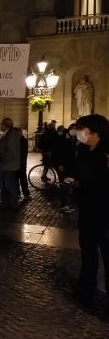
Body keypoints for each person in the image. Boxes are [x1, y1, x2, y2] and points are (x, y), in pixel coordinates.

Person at [64, 114, 109, 320]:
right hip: (88, 210)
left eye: (83, 129)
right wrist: (73, 179)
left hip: (106, 212)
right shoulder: (82, 150)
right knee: (88, 252)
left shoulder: (106, 154)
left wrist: (85, 183)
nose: (79, 132)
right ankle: (85, 290)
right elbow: (78, 171)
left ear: (95, 132)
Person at [0, 118, 21, 212]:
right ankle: (6, 204)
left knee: (10, 186)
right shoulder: (9, 135)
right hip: (7, 165)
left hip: (9, 166)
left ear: (5, 125)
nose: (0, 126)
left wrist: (0, 156)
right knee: (6, 186)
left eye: (1, 124)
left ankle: (13, 205)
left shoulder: (11, 135)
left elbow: (12, 152)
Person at [52, 123, 78, 213]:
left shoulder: (75, 139)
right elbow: (57, 152)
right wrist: (60, 164)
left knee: (70, 184)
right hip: (63, 165)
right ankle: (64, 204)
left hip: (72, 166)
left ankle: (68, 203)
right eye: (74, 129)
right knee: (64, 184)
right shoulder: (62, 139)